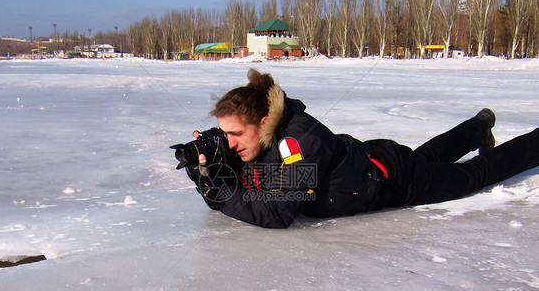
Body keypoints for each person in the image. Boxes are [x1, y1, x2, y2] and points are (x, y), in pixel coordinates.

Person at [182, 68, 539, 229]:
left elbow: (277, 211)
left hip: (395, 181)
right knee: (426, 158)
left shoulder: (298, 143)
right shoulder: (265, 140)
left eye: (234, 134)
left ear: (262, 122)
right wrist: (211, 177)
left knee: (473, 175)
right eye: (222, 133)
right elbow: (259, 181)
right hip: (377, 161)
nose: (229, 144)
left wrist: (223, 190)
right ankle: (478, 125)